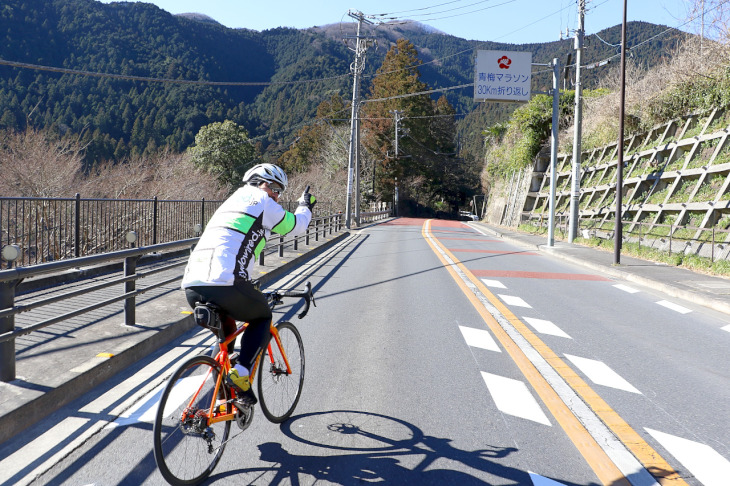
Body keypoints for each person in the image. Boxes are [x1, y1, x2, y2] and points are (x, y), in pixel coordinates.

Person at [181, 163, 316, 407]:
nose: (276, 195)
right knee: (262, 317)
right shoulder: (262, 202)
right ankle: (241, 374)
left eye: (279, 192)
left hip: (192, 284)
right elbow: (297, 226)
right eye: (274, 188)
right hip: (226, 281)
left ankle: (225, 399)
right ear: (259, 183)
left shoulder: (231, 201)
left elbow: (235, 245)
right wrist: (305, 206)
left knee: (225, 339)